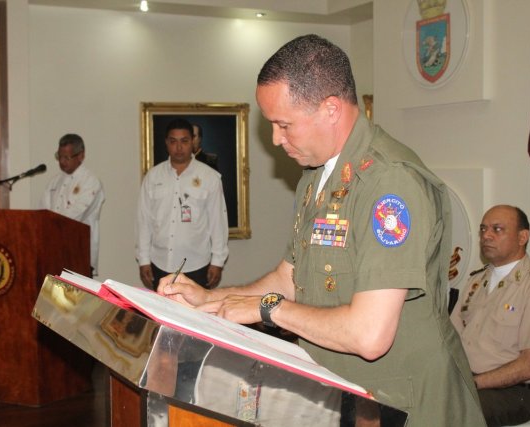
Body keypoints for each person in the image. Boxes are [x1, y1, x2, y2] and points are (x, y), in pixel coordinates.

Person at [158, 34, 486, 426]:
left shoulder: (388, 184)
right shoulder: (318, 178)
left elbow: (369, 334)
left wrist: (268, 310)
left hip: (406, 404)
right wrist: (210, 300)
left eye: (284, 125)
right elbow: (291, 278)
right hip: (346, 395)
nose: (276, 140)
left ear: (330, 109)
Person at [450, 205, 530, 426]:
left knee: (453, 413)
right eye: (483, 229)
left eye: (497, 229)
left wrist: (474, 384)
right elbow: (450, 340)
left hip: (513, 393)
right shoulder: (476, 281)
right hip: (468, 382)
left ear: (523, 237)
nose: (486, 235)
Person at [136, 118, 229, 291]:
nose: (179, 148)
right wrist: (143, 260)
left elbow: (218, 222)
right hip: (159, 263)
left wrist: (217, 261)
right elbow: (144, 221)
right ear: (166, 143)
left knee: (195, 317)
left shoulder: (209, 177)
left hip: (197, 266)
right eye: (173, 141)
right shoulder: (153, 177)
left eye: (184, 141)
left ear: (192, 142)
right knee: (159, 317)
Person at [40, 133, 105, 275]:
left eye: (66, 157)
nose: (62, 162)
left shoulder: (91, 182)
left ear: (81, 156)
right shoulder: (53, 182)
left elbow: (75, 217)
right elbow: (42, 214)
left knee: (77, 297)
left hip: (78, 254)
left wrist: (51, 224)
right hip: (53, 253)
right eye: (59, 157)